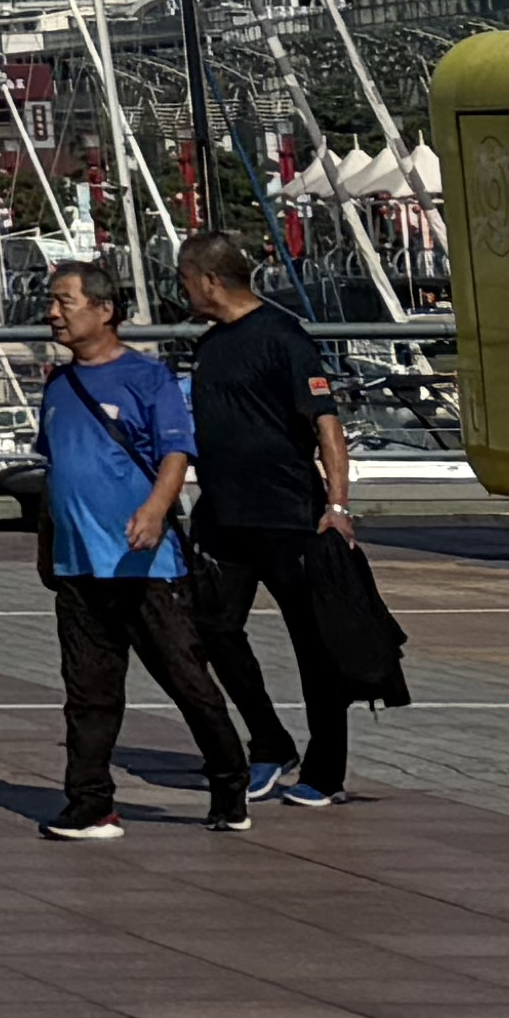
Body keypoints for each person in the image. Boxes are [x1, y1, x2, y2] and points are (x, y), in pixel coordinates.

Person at [32, 256, 243, 842]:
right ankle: (90, 802)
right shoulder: (57, 384)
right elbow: (58, 466)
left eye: (64, 302)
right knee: (88, 693)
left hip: (146, 565)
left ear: (105, 311)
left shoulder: (149, 379)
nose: (52, 314)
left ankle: (231, 781)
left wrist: (154, 511)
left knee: (186, 681)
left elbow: (177, 454)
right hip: (79, 567)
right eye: (51, 303)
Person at [174, 227, 368, 810]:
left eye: (184, 278)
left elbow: (327, 425)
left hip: (291, 519)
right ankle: (269, 742)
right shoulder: (208, 343)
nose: (180, 289)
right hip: (225, 518)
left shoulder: (283, 336)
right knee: (210, 628)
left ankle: (325, 771)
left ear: (210, 280)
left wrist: (336, 506)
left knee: (314, 646)